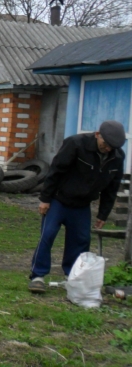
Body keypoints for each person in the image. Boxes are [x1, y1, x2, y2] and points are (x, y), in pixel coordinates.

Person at [28, 120, 126, 294]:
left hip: (82, 205)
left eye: (112, 147)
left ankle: (72, 276)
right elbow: (56, 170)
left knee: (80, 241)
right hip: (59, 199)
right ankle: (38, 276)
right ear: (97, 135)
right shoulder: (75, 144)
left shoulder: (117, 157)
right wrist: (45, 199)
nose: (108, 149)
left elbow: (112, 188)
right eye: (105, 145)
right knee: (48, 235)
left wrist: (103, 215)